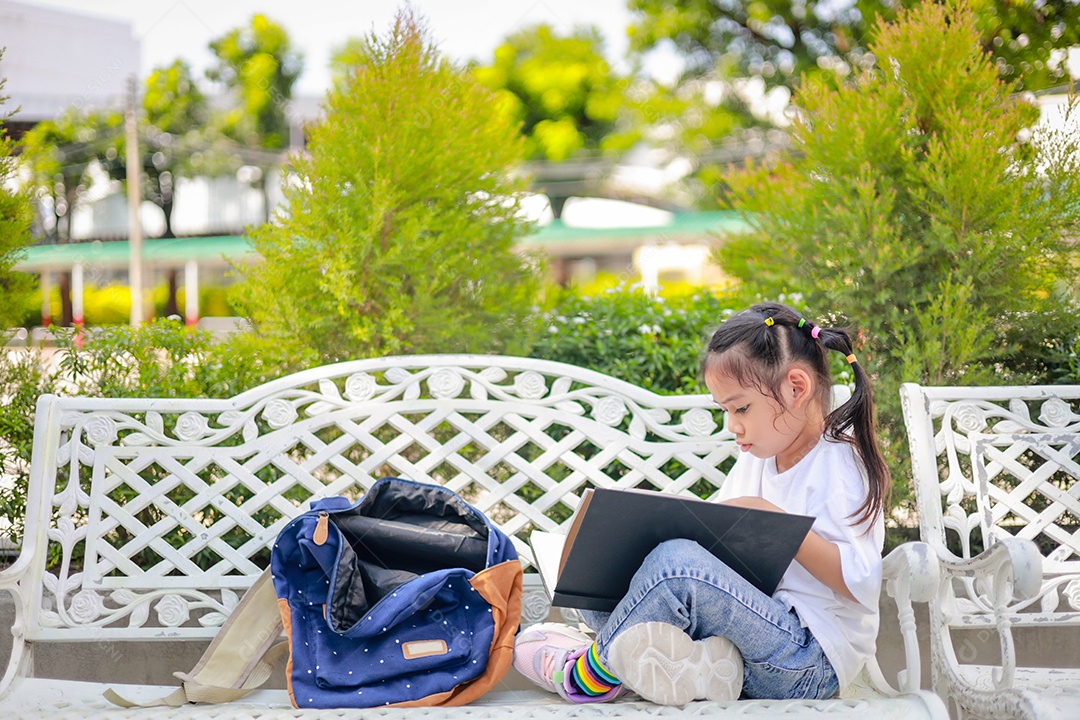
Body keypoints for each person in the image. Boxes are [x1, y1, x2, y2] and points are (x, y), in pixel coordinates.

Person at [512, 301, 890, 705]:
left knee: (676, 565)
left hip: (807, 662)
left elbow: (862, 583)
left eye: (741, 407)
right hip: (741, 653)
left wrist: (775, 524)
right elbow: (711, 549)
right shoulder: (757, 460)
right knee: (603, 577)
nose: (733, 425)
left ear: (796, 388)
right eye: (724, 410)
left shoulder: (839, 461)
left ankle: (587, 675)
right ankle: (695, 669)